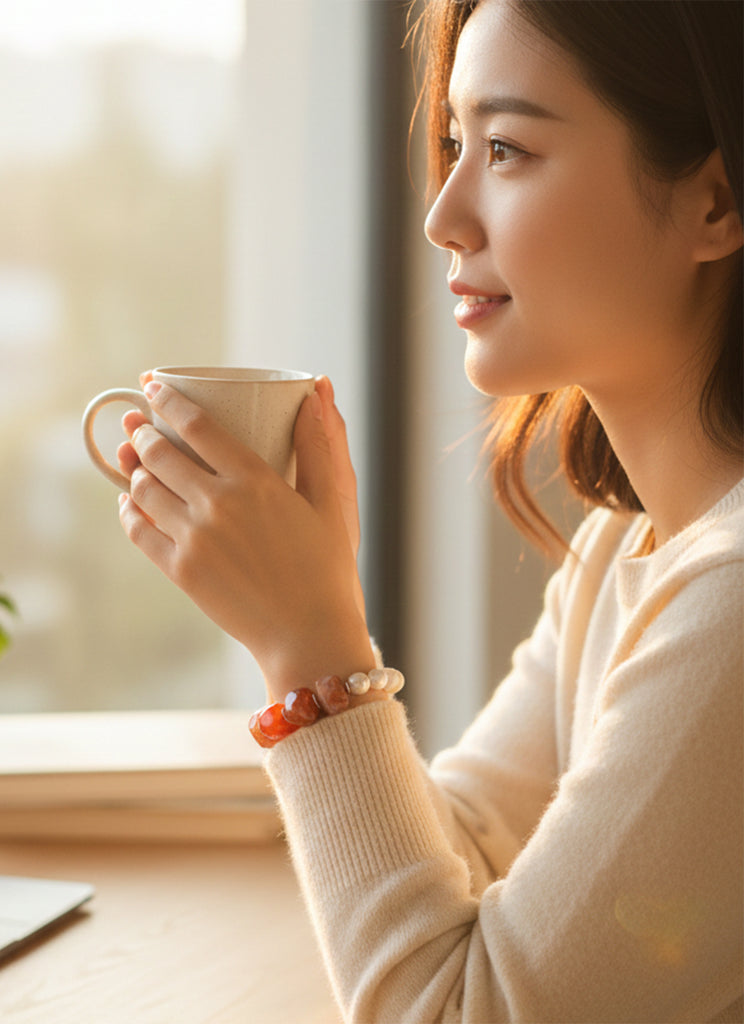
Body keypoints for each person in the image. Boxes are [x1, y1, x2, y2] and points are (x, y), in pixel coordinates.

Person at [113, 0, 743, 1019]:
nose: (441, 213)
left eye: (505, 148)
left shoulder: (732, 608)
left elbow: (455, 1008)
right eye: (452, 142)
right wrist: (306, 607)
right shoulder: (621, 551)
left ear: (716, 198)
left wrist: (308, 646)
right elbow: (464, 849)